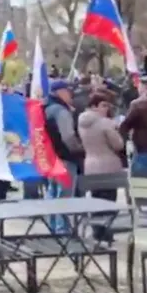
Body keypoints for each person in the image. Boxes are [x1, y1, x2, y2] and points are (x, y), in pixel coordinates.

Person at [78, 91, 124, 242]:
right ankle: (105, 232)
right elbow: (118, 144)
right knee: (109, 201)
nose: (106, 108)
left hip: (90, 164)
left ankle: (97, 231)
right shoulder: (105, 123)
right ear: (94, 106)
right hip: (108, 165)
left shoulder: (81, 121)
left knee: (96, 199)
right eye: (103, 105)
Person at [44, 80, 84, 231]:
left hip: (50, 157)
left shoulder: (46, 108)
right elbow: (68, 137)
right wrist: (78, 149)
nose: (70, 94)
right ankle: (63, 230)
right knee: (64, 196)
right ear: (59, 92)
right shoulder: (61, 111)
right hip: (65, 157)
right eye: (68, 91)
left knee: (52, 193)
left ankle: (52, 226)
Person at [120, 75, 147, 178]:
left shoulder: (138, 104)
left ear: (144, 86)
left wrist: (123, 145)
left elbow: (125, 126)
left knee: (141, 182)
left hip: (145, 149)